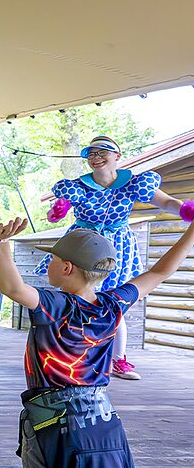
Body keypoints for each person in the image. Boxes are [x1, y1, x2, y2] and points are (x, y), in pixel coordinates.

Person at [0, 217, 194, 468]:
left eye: (52, 260)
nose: (48, 266)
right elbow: (162, 271)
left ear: (66, 267)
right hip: (100, 418)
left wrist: (0, 243)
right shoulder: (113, 304)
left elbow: (11, 286)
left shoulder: (54, 304)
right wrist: (192, 230)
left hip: (50, 419)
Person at [39, 134, 194, 380]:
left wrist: (187, 210)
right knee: (73, 297)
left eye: (102, 152)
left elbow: (166, 202)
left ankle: (118, 359)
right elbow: (57, 210)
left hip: (117, 246)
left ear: (117, 156)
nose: (95, 158)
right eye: (91, 154)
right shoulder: (78, 185)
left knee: (115, 302)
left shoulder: (134, 183)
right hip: (82, 244)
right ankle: (64, 356)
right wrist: (57, 211)